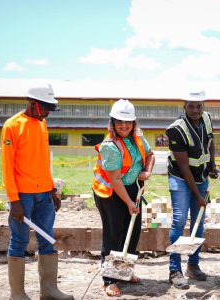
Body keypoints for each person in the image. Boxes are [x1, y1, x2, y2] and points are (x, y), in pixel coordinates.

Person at [1, 84, 74, 300]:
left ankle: (49, 291)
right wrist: (14, 200)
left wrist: (53, 190)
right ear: (33, 103)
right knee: (19, 241)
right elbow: (7, 166)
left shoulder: (42, 124)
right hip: (22, 197)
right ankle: (18, 294)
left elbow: (42, 161)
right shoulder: (12, 126)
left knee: (47, 239)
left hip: (44, 196)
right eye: (45, 108)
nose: (47, 113)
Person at [92, 99, 155, 297]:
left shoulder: (137, 138)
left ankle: (124, 273)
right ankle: (109, 280)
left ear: (134, 123)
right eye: (119, 121)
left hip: (133, 189)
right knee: (114, 235)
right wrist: (128, 203)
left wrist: (147, 171)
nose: (124, 126)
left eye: (128, 122)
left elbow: (151, 155)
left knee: (132, 232)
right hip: (111, 193)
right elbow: (116, 178)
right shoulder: (109, 146)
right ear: (112, 122)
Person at [166, 90, 220, 289]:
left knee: (198, 223)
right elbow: (184, 166)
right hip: (181, 178)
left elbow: (210, 143)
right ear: (184, 106)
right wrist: (198, 196)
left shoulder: (206, 118)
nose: (195, 110)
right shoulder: (176, 130)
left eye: (199, 106)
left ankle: (193, 265)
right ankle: (174, 269)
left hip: (202, 177)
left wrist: (212, 166)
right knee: (180, 219)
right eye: (191, 106)